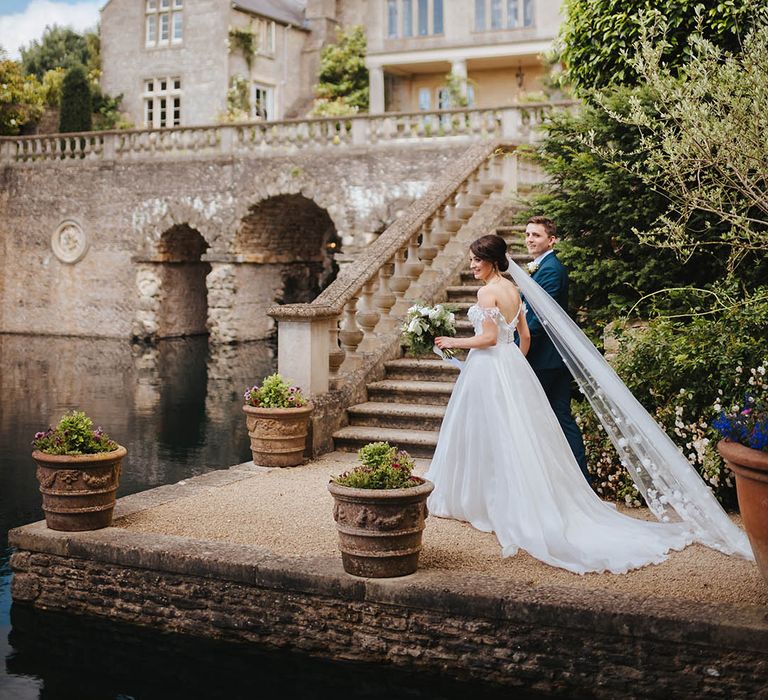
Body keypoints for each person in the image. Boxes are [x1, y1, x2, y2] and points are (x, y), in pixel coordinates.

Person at [426, 234, 751, 574]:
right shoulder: (514, 290)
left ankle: (485, 500)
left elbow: (489, 338)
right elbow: (525, 336)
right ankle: (498, 498)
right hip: (510, 365)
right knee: (516, 434)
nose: (473, 265)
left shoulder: (487, 291)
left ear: (491, 260)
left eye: (477, 260)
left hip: (490, 366)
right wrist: (514, 364)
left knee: (489, 432)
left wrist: (452, 340)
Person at [523, 216, 588, 482]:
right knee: (562, 418)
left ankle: (564, 481)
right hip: (552, 358)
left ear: (551, 240)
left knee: (543, 419)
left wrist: (517, 347)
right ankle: (577, 482)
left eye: (536, 235)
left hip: (544, 358)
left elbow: (540, 319)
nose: (529, 239)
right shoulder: (540, 266)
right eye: (527, 234)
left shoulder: (551, 269)